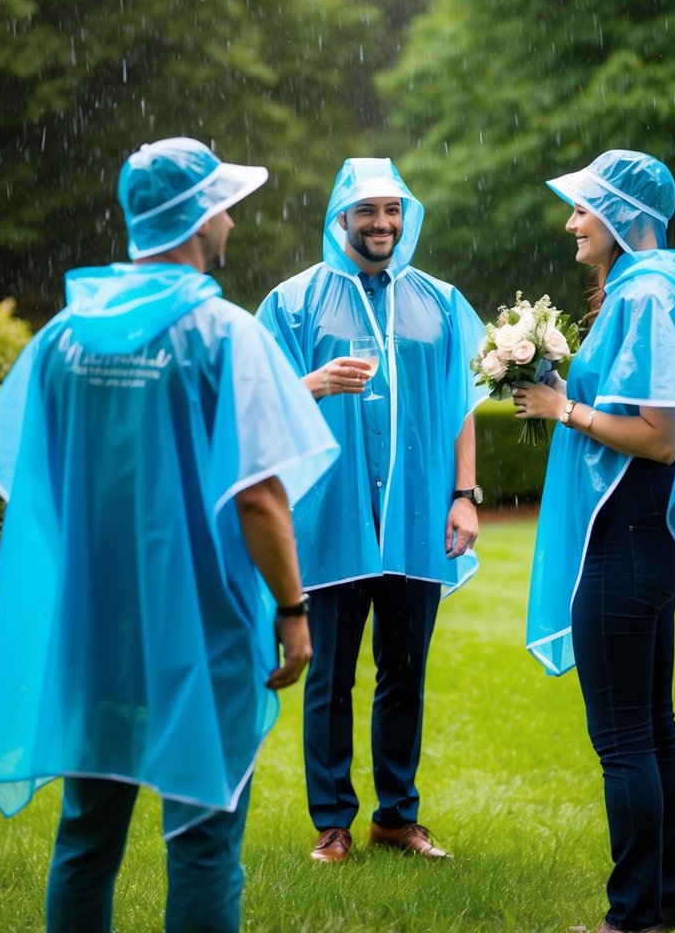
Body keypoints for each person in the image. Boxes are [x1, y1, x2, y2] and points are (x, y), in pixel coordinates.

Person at [0, 137, 340, 933]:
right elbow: (259, 498)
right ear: (201, 217)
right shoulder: (224, 333)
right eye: (227, 207)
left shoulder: (65, 336)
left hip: (95, 620)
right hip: (199, 621)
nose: (234, 225)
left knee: (86, 831)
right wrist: (292, 609)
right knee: (204, 833)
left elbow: (36, 480)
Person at [513, 150, 675, 933]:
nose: (569, 222)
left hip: (626, 539)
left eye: (582, 208)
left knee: (622, 738)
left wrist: (563, 409)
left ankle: (630, 915)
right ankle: (660, 904)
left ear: (619, 214)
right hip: (643, 540)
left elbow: (658, 439)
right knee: (650, 729)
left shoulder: (649, 294)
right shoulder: (648, 288)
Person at [256, 156, 486, 863]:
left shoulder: (440, 302)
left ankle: (397, 815)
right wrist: (314, 383)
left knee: (404, 671)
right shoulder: (291, 304)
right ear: (340, 218)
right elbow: (258, 405)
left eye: (392, 210)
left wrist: (463, 495)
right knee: (328, 676)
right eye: (367, 211)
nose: (382, 223)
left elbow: (460, 402)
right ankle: (332, 822)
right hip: (326, 516)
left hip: (417, 516)